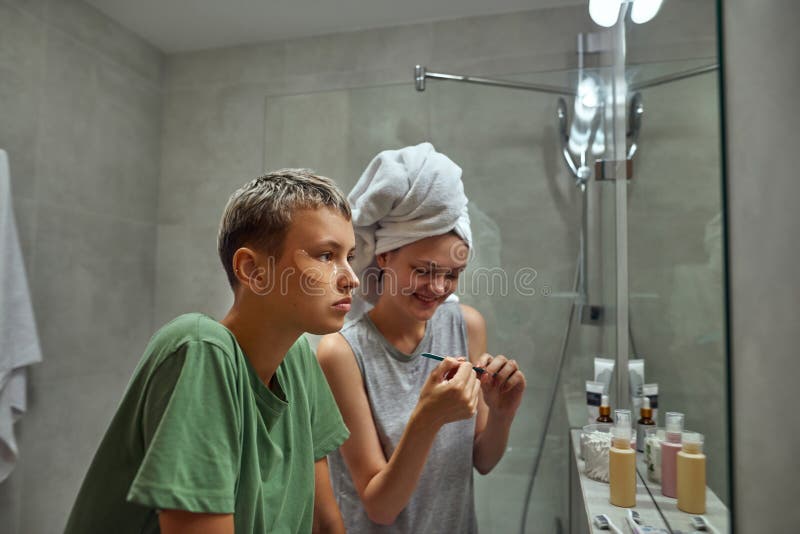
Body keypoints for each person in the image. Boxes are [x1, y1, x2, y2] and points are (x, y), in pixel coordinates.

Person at [65, 169, 358, 534]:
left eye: (350, 256)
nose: (351, 278)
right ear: (254, 270)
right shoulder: (201, 350)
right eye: (327, 255)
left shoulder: (298, 359)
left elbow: (327, 523)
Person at [317, 143, 527, 533]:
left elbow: (482, 459)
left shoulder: (467, 326)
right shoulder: (342, 353)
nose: (438, 287)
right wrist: (427, 418)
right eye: (424, 270)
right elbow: (380, 507)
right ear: (383, 255)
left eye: (451, 274)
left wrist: (502, 414)